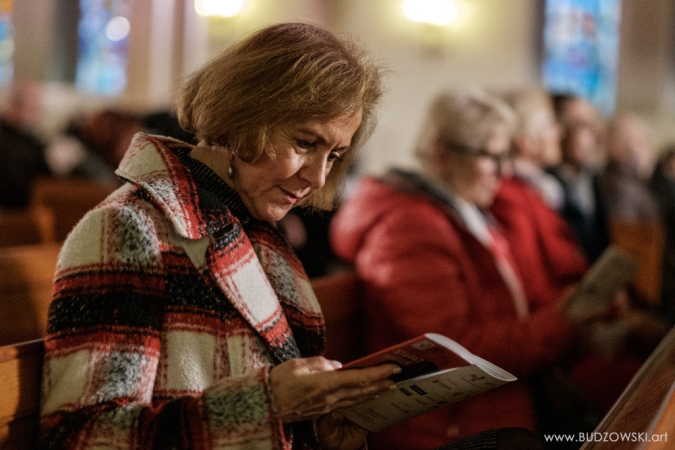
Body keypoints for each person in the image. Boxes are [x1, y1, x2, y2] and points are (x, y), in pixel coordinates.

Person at [39, 23, 403, 450]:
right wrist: (264, 407)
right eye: (305, 143)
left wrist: (315, 433)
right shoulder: (130, 228)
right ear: (242, 115)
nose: (318, 177)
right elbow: (82, 436)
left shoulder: (256, 228)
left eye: (335, 155)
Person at [330, 88, 603, 450]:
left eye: (506, 156)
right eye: (491, 156)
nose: (504, 171)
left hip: (492, 408)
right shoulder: (410, 227)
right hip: (448, 429)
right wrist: (559, 326)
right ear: (444, 155)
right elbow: (453, 352)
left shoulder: (467, 213)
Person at [550, 93, 610, 262]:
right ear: (558, 130)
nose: (596, 134)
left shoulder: (592, 178)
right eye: (583, 125)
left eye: (594, 124)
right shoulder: (543, 185)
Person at [598, 112, 660, 221]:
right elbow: (630, 234)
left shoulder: (635, 183)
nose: (649, 150)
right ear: (616, 148)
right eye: (640, 142)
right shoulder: (618, 188)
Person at [0, 80, 51, 207]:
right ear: (13, 105)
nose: (37, 114)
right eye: (33, 108)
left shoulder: (28, 139)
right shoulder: (9, 142)